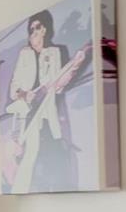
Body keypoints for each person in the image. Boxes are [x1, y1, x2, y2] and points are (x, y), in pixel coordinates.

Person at [5, 10, 83, 192]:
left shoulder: (55, 52)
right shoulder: (24, 53)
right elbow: (14, 89)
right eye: (31, 28)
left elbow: (59, 86)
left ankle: (55, 188)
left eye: (37, 27)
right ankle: (21, 189)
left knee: (52, 151)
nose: (33, 31)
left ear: (45, 29)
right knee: (29, 154)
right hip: (27, 112)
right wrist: (25, 94)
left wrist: (74, 66)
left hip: (46, 111)